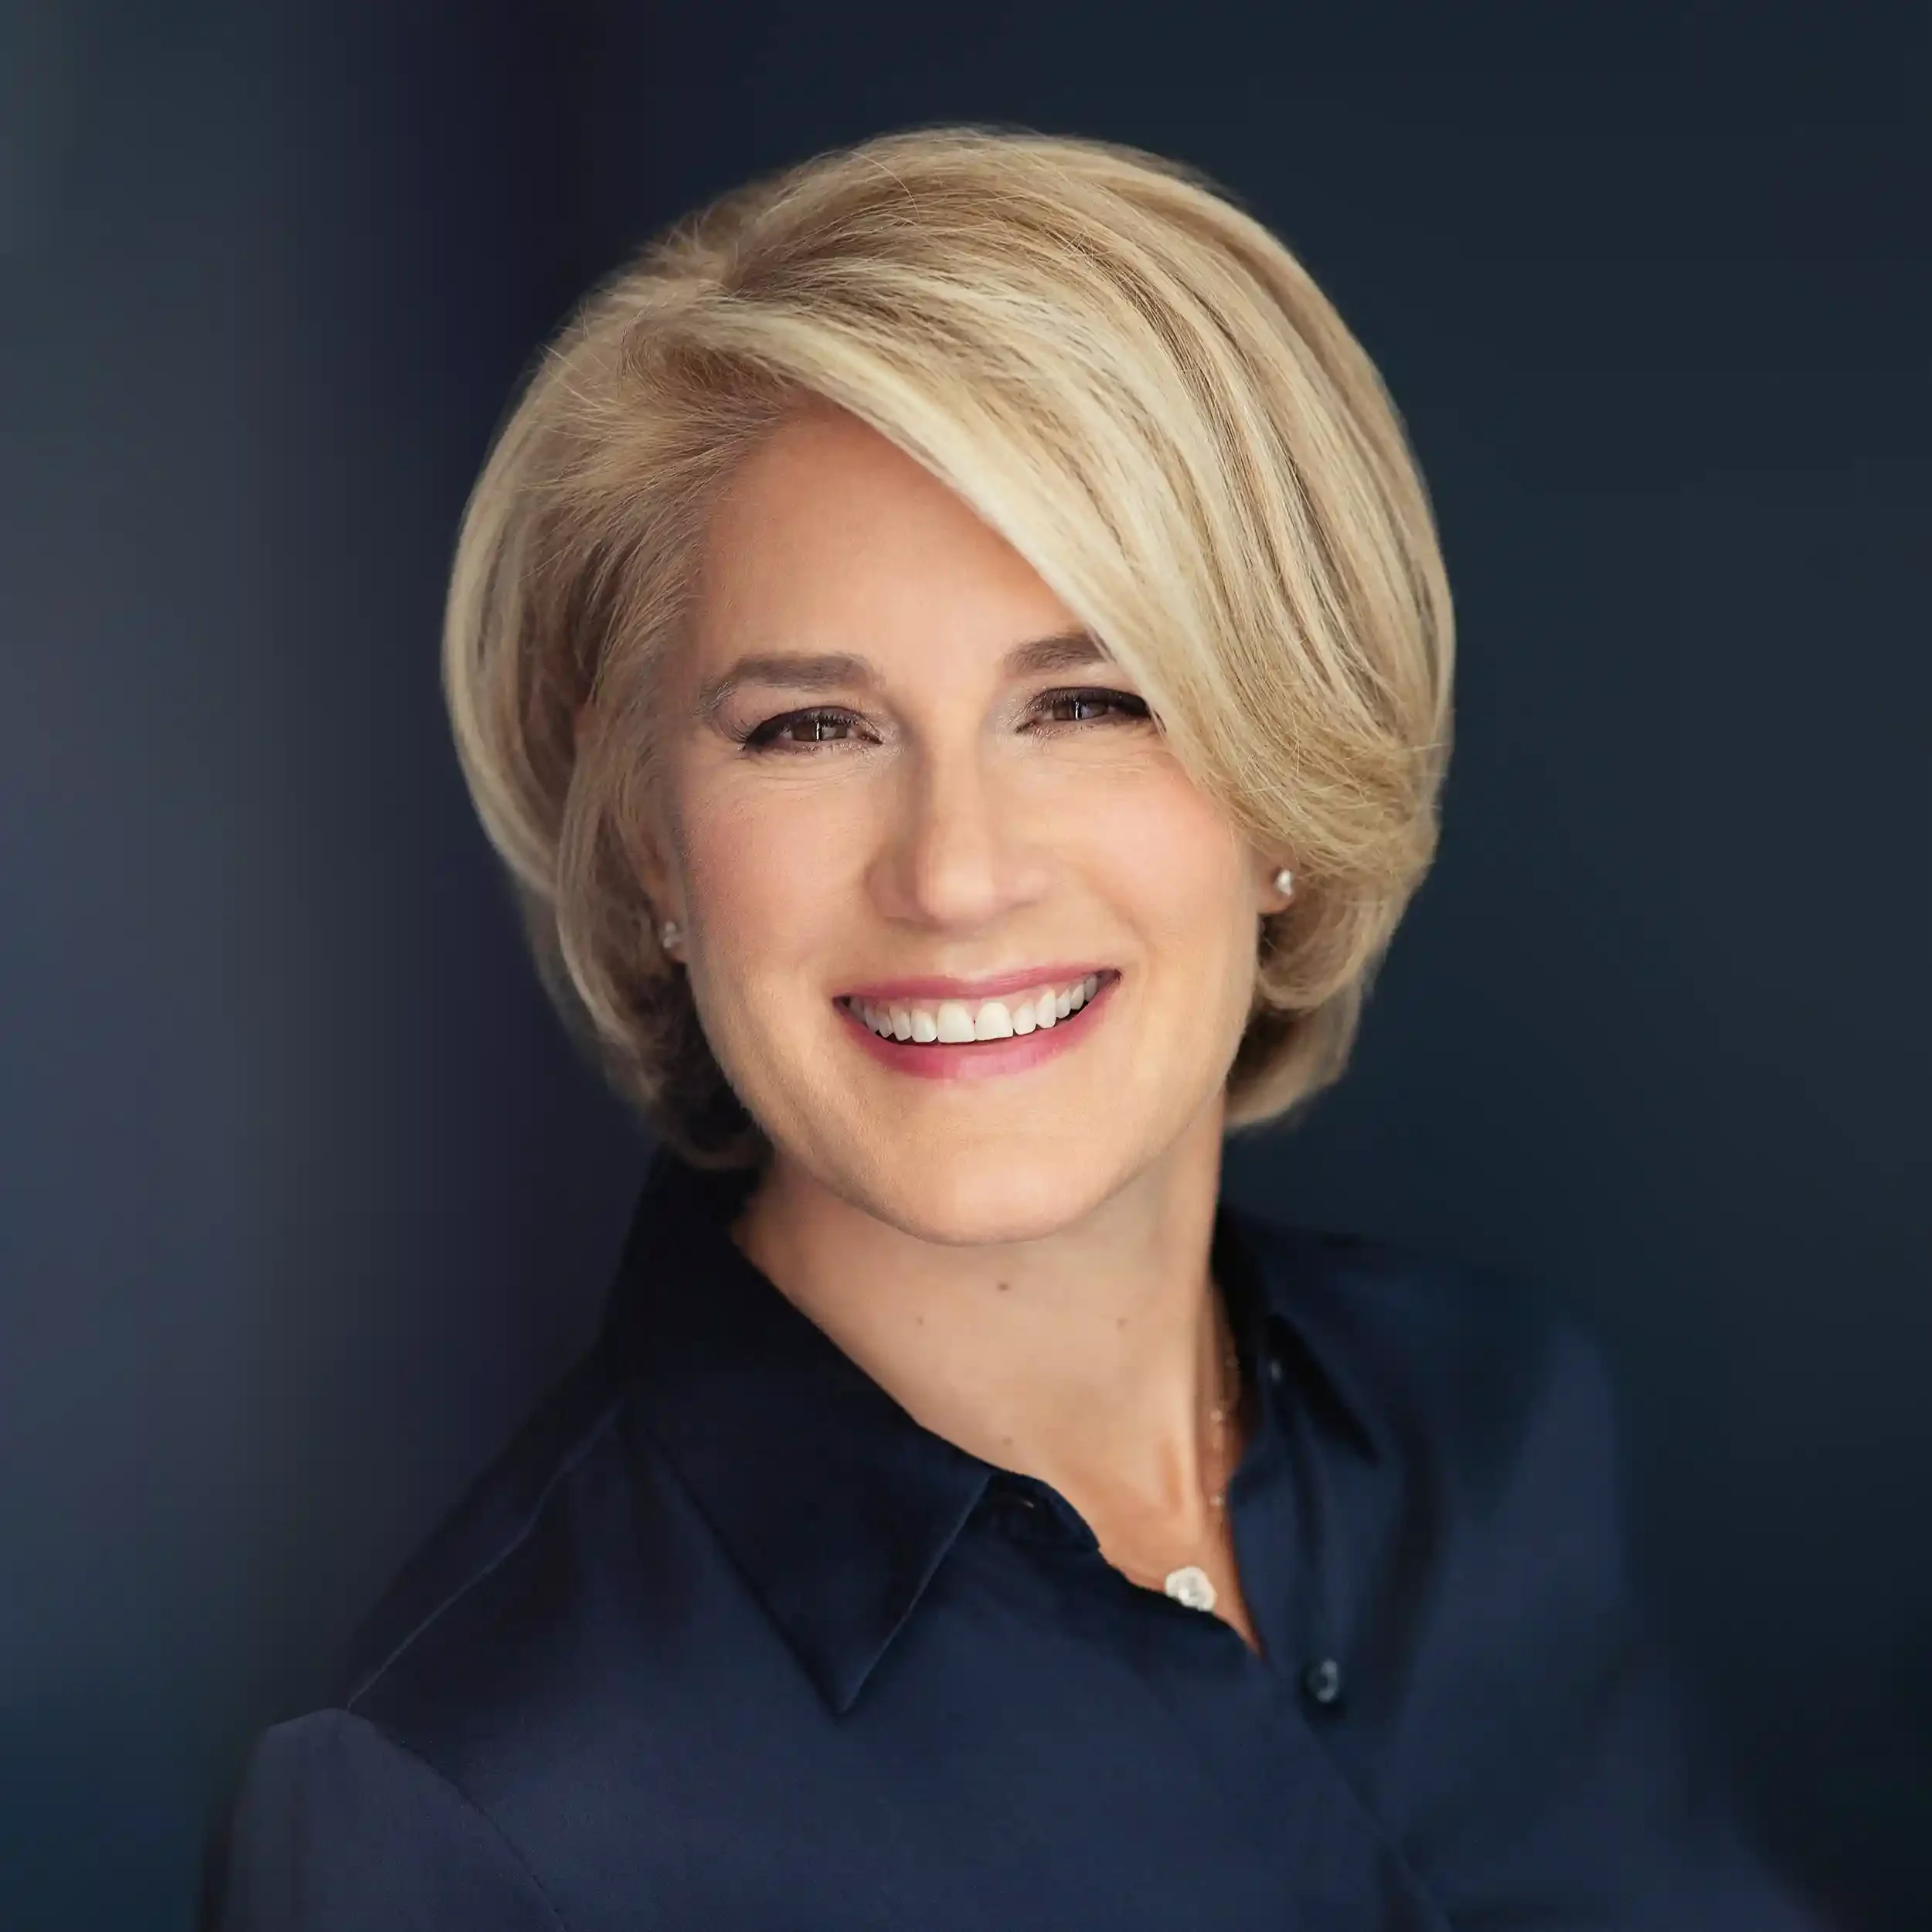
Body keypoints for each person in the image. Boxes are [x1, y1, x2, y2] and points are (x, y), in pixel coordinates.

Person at [212, 125, 1818, 1927]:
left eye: (1086, 701)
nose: (956, 873)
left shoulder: (1497, 1430)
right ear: (651, 839)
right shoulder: (461, 1799)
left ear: (1288, 779)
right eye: (809, 728)